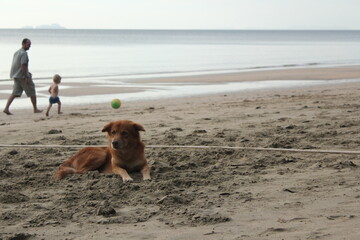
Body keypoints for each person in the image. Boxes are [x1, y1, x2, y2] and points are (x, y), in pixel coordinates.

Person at [3, 38, 42, 115]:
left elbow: (15, 64)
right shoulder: (24, 53)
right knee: (32, 90)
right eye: (28, 44)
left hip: (16, 75)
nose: (29, 46)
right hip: (22, 76)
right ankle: (35, 109)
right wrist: (26, 76)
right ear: (23, 44)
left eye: (30, 45)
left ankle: (6, 108)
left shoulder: (17, 52)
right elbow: (23, 65)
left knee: (14, 93)